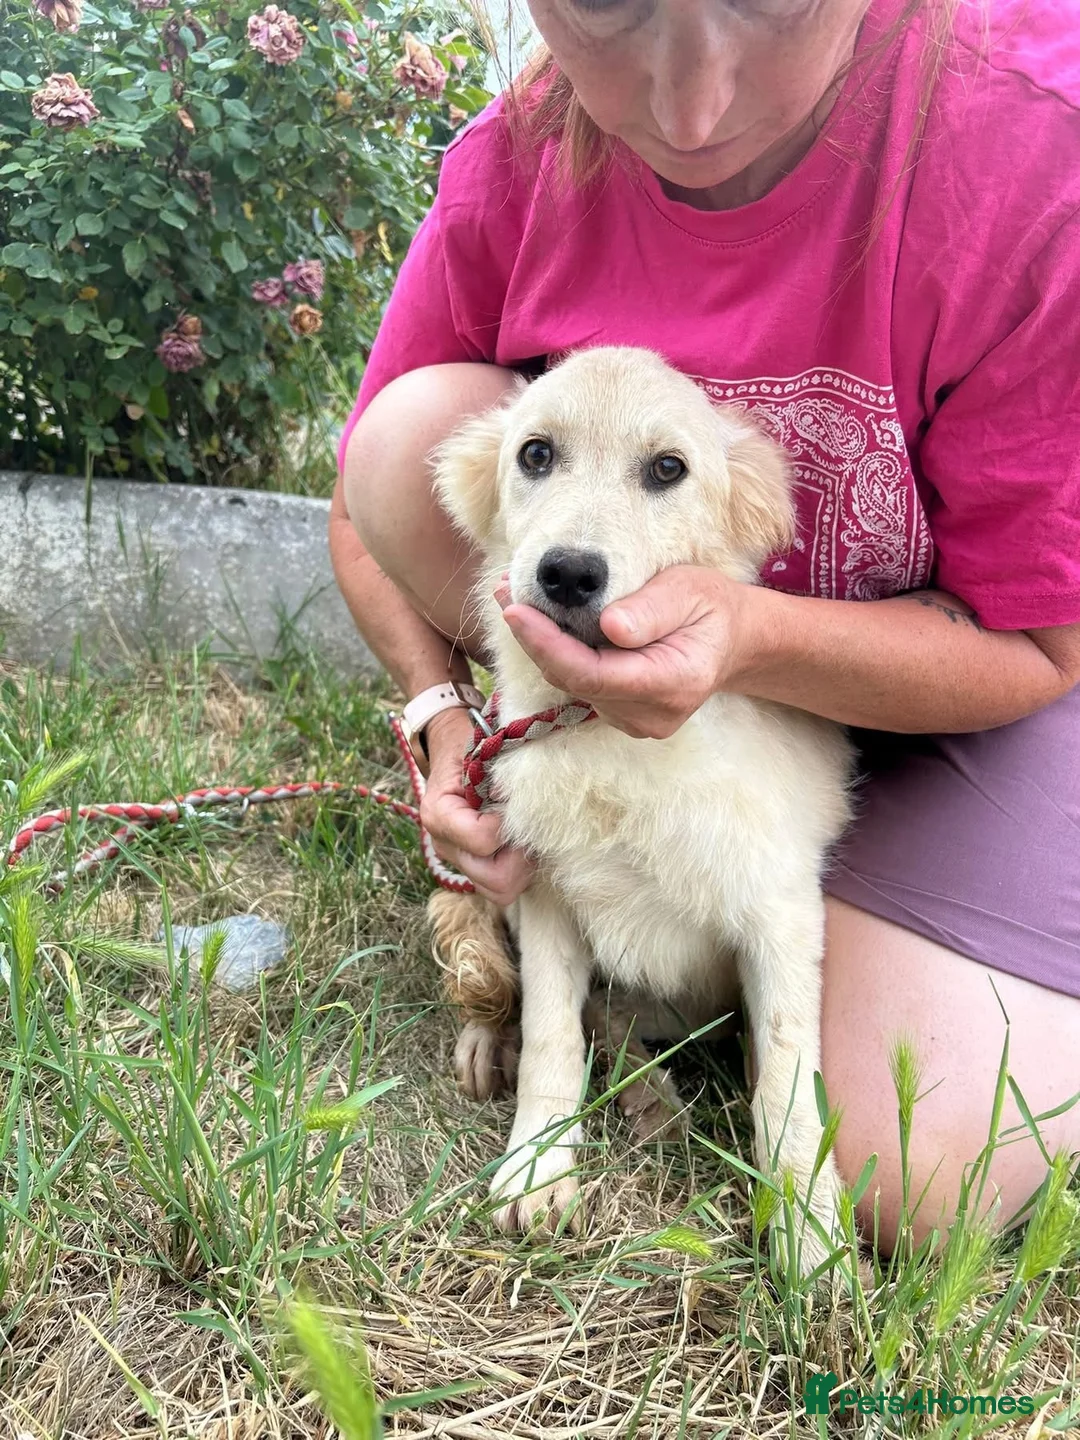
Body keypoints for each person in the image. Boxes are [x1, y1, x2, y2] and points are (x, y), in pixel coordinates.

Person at [329, 0, 1080, 1255]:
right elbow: (364, 502)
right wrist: (444, 717)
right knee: (408, 433)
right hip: (684, 719)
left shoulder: (1038, 144)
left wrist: (749, 640)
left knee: (920, 1173)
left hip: (992, 673)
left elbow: (1046, 644)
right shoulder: (517, 160)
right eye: (602, 3)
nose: (688, 111)